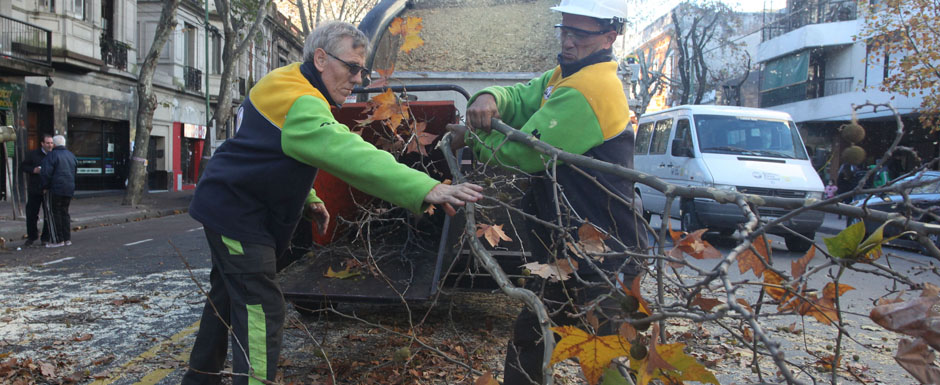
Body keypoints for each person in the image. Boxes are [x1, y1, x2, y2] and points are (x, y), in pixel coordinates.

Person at [181, 21, 483, 385]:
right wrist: (425, 187)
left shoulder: (284, 81)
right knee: (262, 308)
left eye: (363, 71)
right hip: (239, 216)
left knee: (226, 299)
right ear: (321, 59)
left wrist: (310, 197)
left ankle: (199, 378)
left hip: (228, 203)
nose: (358, 79)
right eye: (352, 68)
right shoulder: (302, 101)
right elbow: (347, 152)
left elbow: (268, 150)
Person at [449, 0, 647, 382]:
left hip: (601, 250)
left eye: (579, 34)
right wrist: (490, 97)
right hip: (564, 245)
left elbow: (524, 154)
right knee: (534, 336)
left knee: (607, 353)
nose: (568, 42)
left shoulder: (591, 89)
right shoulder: (564, 75)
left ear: (610, 37)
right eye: (564, 31)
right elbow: (523, 96)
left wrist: (471, 137)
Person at [39, 135, 77, 248]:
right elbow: (75, 171)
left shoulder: (51, 155)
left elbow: (46, 173)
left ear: (54, 144)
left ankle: (57, 240)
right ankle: (67, 238)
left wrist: (44, 186)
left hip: (55, 188)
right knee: (64, 213)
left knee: (53, 213)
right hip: (68, 188)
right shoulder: (71, 155)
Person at [21, 134, 54, 247]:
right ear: (42, 144)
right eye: (47, 143)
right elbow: (23, 166)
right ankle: (32, 236)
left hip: (48, 190)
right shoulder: (33, 154)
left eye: (51, 143)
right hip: (35, 188)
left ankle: (45, 238)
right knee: (31, 214)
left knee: (48, 215)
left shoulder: (54, 155)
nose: (50, 145)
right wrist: (33, 170)